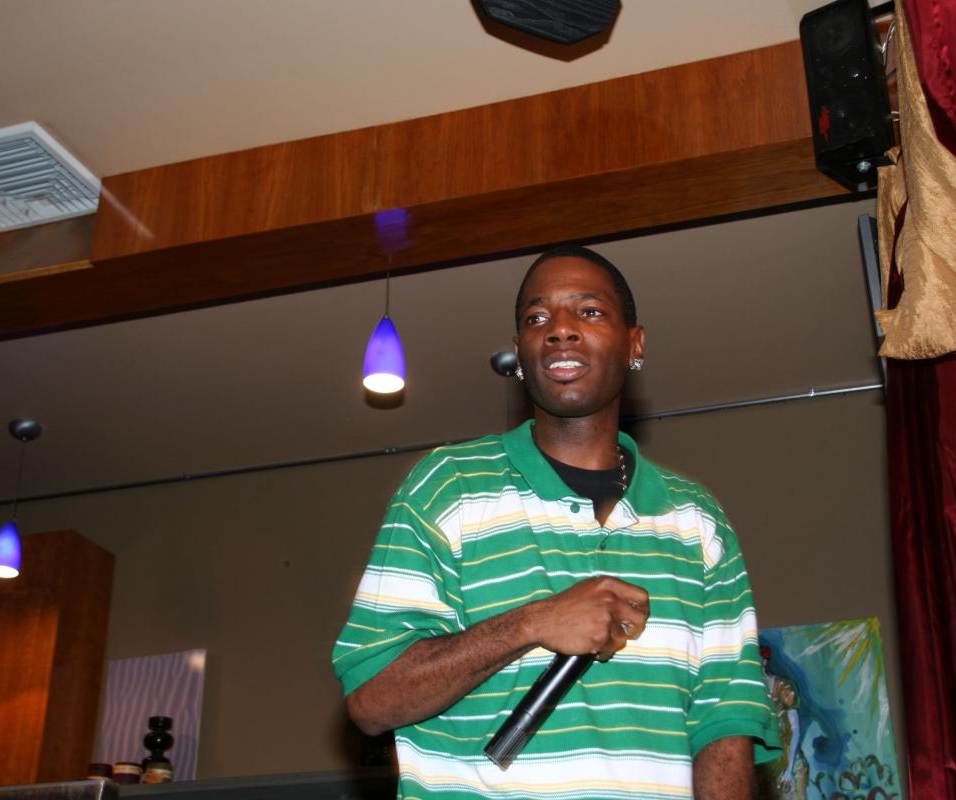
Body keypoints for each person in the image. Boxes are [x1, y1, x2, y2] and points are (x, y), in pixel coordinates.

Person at [332, 245, 780, 799]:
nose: (559, 330)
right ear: (520, 352)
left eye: (589, 311)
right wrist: (534, 622)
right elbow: (373, 699)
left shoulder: (697, 522)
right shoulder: (449, 487)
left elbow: (726, 721)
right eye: (536, 318)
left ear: (635, 343)